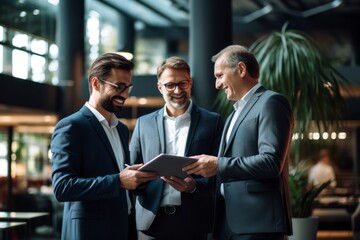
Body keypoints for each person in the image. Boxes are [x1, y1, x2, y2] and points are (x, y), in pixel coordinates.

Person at [183, 45, 294, 240]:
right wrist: (193, 184)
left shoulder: (271, 102)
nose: (217, 84)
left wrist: (218, 164)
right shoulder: (235, 112)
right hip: (229, 221)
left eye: (219, 76)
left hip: (258, 221)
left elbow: (271, 162)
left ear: (241, 70)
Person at [51, 53, 158, 240]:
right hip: (88, 232)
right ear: (95, 83)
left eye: (128, 88)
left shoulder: (121, 129)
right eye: (119, 87)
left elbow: (120, 178)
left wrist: (139, 178)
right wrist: (118, 180)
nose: (124, 94)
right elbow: (62, 187)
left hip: (122, 229)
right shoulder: (72, 126)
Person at [130, 56, 223, 240]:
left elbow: (221, 171)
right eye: (170, 85)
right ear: (160, 87)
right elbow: (132, 171)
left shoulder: (212, 122)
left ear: (190, 83)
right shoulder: (143, 124)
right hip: (151, 222)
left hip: (194, 221)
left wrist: (194, 186)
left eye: (183, 83)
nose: (178, 90)